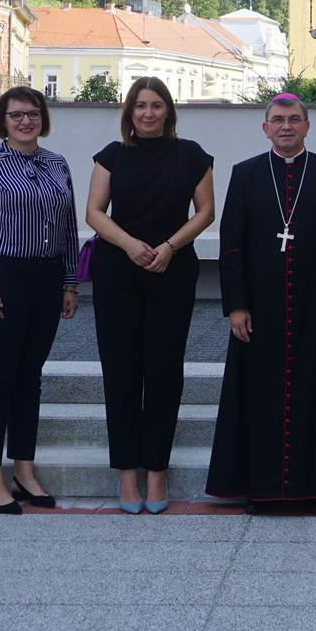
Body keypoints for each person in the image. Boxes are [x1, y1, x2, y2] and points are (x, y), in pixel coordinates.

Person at [206, 93, 316, 511]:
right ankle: (261, 489)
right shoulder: (246, 174)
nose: (286, 126)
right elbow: (232, 247)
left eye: (294, 119)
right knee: (259, 398)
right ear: (265, 128)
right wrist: (235, 305)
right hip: (259, 310)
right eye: (278, 120)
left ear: (307, 126)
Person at [85, 77, 214, 514]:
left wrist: (169, 247)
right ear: (129, 113)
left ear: (168, 111)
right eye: (140, 106)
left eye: (157, 105)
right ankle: (126, 474)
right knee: (121, 373)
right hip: (118, 271)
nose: (148, 113)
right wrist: (130, 245)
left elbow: (206, 212)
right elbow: (94, 212)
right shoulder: (112, 156)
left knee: (163, 373)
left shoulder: (192, 154)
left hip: (172, 271)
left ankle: (156, 473)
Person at [0, 86, 80, 514]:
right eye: (16, 116)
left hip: (46, 280)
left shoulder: (57, 164)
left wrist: (70, 283)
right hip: (0, 278)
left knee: (30, 377)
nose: (25, 121)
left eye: (32, 114)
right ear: (3, 120)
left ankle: (24, 470)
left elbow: (68, 230)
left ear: (43, 117)